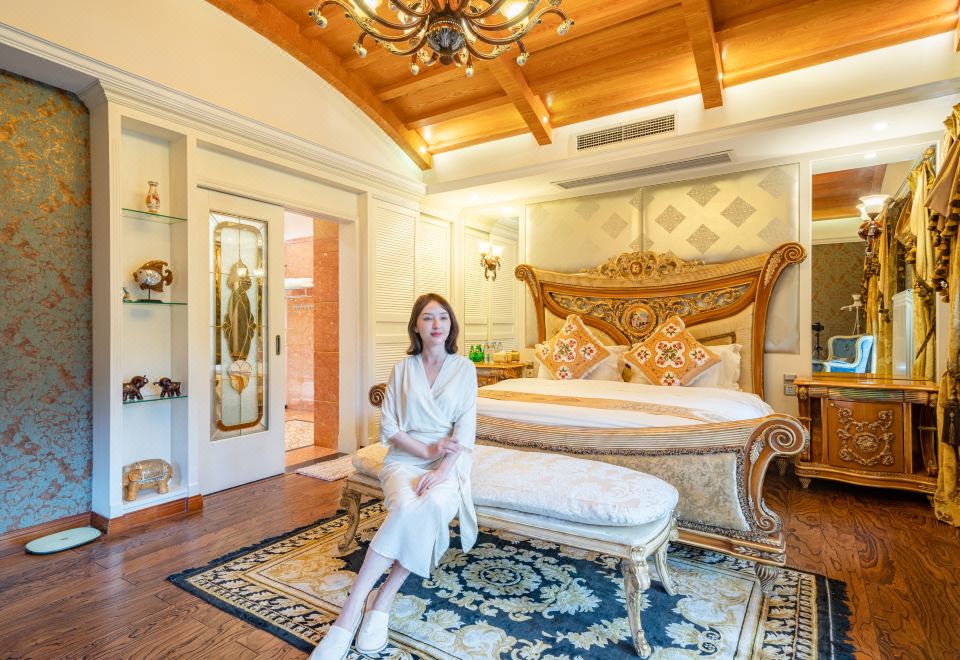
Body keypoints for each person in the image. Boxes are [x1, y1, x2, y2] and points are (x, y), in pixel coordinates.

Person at [310, 293, 478, 659]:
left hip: (448, 465)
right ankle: (354, 610)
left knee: (431, 505)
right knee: (405, 507)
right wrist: (427, 452)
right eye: (428, 317)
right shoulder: (402, 369)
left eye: (443, 317)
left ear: (451, 325)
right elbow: (389, 427)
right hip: (405, 459)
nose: (436, 324)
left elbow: (465, 430)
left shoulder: (465, 368)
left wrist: (441, 468)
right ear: (416, 325)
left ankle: (379, 599)